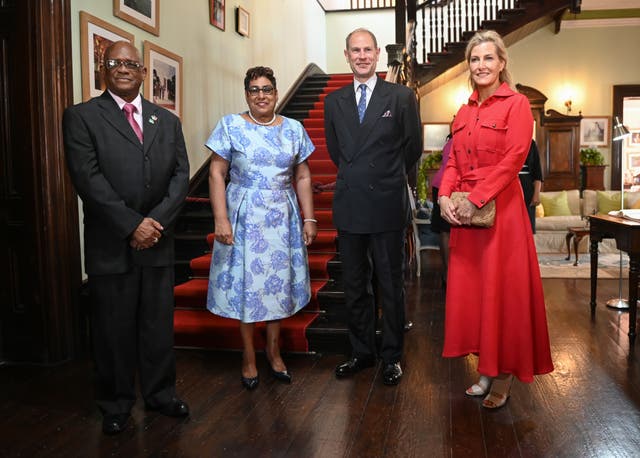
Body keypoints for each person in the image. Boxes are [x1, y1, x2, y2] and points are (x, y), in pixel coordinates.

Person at [63, 41, 190, 435]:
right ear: (104, 68)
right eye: (115, 62)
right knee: (112, 329)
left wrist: (154, 224)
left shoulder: (165, 121)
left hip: (158, 241)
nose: (123, 68)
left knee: (156, 326)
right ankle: (115, 403)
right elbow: (88, 179)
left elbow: (180, 177)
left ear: (141, 71)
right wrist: (132, 225)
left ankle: (160, 395)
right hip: (111, 243)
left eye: (131, 64)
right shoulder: (82, 117)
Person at [438, 30, 553, 408]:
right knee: (476, 296)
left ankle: (503, 378)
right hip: (467, 219)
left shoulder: (517, 104)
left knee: (502, 294)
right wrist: (443, 197)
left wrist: (475, 198)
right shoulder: (465, 109)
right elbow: (453, 160)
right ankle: (485, 370)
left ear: (502, 63)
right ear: (468, 67)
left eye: (489, 58)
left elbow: (514, 159)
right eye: (475, 59)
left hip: (501, 214)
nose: (481, 65)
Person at [206, 66, 316, 390]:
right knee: (247, 286)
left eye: (267, 89)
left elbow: (304, 176)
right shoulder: (230, 126)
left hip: (282, 216)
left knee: (276, 285)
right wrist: (221, 218)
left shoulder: (294, 129)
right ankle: (249, 357)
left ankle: (273, 350)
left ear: (277, 93)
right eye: (254, 90)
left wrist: (309, 218)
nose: (261, 95)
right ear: (246, 94)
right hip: (244, 216)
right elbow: (215, 174)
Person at [324, 28, 422, 386]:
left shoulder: (400, 96)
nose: (362, 55)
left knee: (390, 283)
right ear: (346, 55)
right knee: (354, 284)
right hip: (350, 205)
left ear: (378, 54)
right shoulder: (333, 102)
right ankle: (361, 352)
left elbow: (411, 148)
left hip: (386, 204)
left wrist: (385, 177)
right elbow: (337, 153)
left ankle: (392, 355)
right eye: (355, 50)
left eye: (368, 49)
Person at [430, 133, 453, 287]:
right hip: (447, 187)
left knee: (445, 232)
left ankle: (447, 273)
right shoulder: (458, 141)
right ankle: (448, 273)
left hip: (439, 185)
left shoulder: (449, 141)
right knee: (446, 231)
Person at [519, 140, 543, 232]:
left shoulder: (531, 143)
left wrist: (536, 194)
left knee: (527, 228)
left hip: (527, 189)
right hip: (508, 187)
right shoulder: (504, 139)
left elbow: (538, 172)